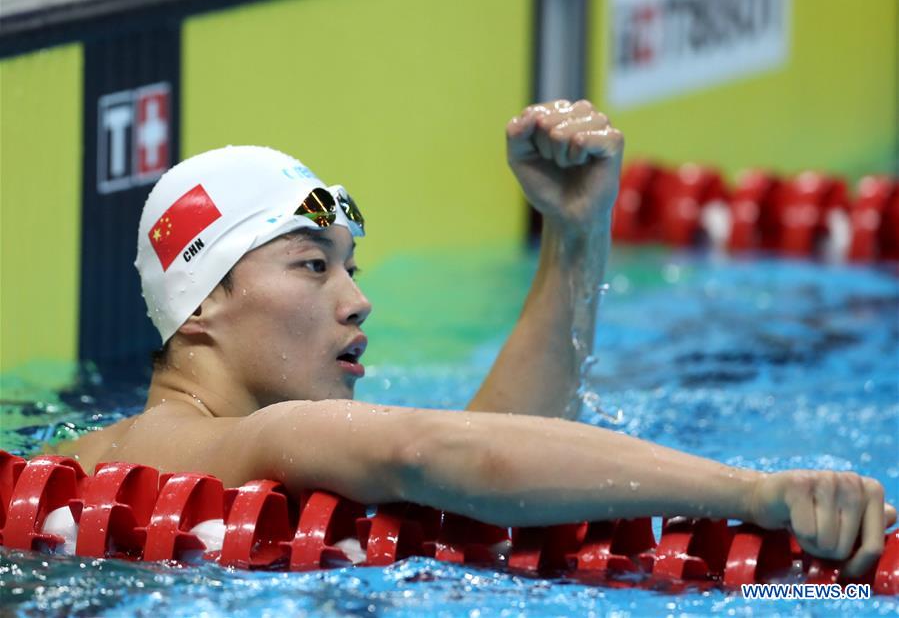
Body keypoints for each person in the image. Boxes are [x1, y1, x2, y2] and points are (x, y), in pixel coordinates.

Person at [57, 100, 894, 577]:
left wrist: (574, 234)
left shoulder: (101, 455)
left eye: (350, 266)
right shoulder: (264, 437)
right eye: (313, 267)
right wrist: (753, 496)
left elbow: (483, 460)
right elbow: (435, 451)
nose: (360, 301)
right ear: (199, 306)